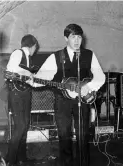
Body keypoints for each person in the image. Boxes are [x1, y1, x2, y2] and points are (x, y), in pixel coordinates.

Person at [31, 23, 105, 166]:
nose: (77, 41)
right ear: (66, 38)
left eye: (79, 37)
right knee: (64, 137)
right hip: (61, 101)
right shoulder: (56, 57)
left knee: (83, 136)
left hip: (82, 100)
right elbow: (42, 77)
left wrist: (88, 87)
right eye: (73, 37)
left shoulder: (89, 55)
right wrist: (32, 81)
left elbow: (100, 77)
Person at [5, 34, 39, 165]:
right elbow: (10, 70)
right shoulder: (18, 53)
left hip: (25, 93)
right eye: (35, 47)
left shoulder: (28, 59)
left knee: (24, 126)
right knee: (20, 126)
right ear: (33, 45)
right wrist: (28, 74)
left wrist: (34, 80)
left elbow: (28, 78)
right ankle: (11, 160)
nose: (35, 50)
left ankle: (21, 157)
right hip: (17, 94)